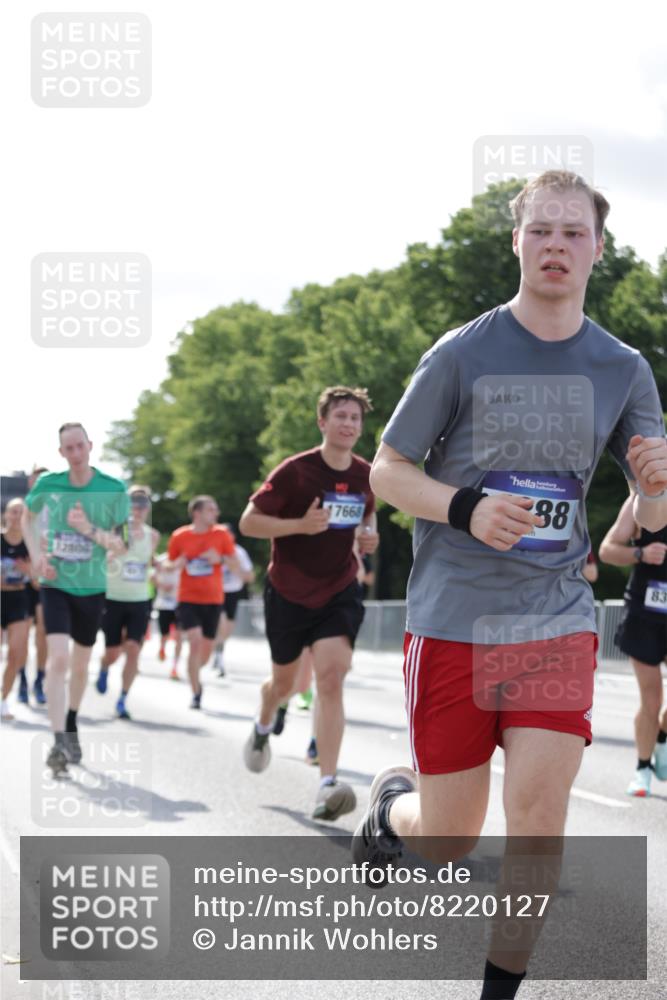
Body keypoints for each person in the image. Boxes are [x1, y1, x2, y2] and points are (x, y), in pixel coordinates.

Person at [351, 171, 667, 999]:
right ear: (516, 242)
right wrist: (462, 507)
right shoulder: (462, 352)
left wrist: (658, 485)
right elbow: (387, 471)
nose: (556, 245)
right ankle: (390, 814)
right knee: (448, 839)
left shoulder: (624, 367)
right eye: (541, 231)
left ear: (598, 248)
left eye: (573, 232)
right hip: (453, 617)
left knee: (537, 816)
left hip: (554, 618)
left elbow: (652, 499)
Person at [239, 385, 379, 821]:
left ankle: (326, 785)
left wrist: (368, 536)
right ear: (322, 422)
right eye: (340, 416)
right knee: (284, 687)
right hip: (289, 591)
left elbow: (367, 517)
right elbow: (249, 523)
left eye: (355, 418)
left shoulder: (366, 474)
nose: (349, 424)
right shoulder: (295, 472)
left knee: (331, 680)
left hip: (338, 590)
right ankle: (265, 722)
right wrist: (300, 524)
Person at [21, 423, 129, 774]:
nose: (76, 454)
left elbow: (120, 544)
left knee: (81, 665)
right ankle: (56, 741)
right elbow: (28, 516)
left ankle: (70, 722)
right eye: (69, 449)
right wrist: (37, 554)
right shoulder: (49, 484)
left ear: (90, 446)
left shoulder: (113, 489)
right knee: (59, 660)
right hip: (56, 584)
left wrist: (87, 531)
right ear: (61, 453)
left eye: (81, 446)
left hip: (93, 587)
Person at [599, 494, 667, 796]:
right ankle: (642, 770)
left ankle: (662, 738)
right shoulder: (645, 498)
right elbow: (607, 550)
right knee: (651, 699)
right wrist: (641, 554)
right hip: (645, 614)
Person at [167, 497, 239, 708]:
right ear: (197, 513)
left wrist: (221, 559)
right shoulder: (180, 536)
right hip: (188, 599)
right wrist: (177, 563)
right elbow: (169, 564)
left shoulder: (221, 535)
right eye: (211, 510)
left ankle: (195, 674)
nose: (216, 513)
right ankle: (196, 691)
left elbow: (235, 563)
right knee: (195, 641)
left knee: (205, 651)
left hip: (213, 600)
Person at [95, 486, 160, 719]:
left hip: (139, 599)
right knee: (113, 653)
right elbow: (100, 558)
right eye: (134, 502)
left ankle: (122, 698)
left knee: (133, 649)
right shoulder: (114, 531)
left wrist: (156, 569)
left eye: (144, 504)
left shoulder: (153, 536)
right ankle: (103, 667)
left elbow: (148, 561)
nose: (139, 508)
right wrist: (109, 557)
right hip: (113, 598)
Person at [18, 466, 49, 705]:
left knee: (42, 633)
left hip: (45, 580)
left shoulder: (54, 511)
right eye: (37, 482)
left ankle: (39, 679)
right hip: (21, 582)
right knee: (21, 635)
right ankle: (21, 679)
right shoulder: (20, 510)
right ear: (30, 483)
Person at [1, 499, 32, 720]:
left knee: (14, 655)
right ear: (6, 514)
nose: (16, 516)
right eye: (13, 511)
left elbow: (40, 579)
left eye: (20, 512)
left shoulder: (30, 544)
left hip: (19, 599)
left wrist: (29, 570)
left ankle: (3, 700)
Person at [212, 524, 255, 676]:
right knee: (221, 624)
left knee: (227, 630)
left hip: (233, 593)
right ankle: (219, 658)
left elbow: (250, 577)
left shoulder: (239, 553)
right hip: (215, 593)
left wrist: (234, 567)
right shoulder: (213, 550)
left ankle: (217, 650)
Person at [153, 553, 183, 679]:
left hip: (181, 603)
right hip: (164, 603)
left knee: (179, 637)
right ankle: (162, 648)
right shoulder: (162, 559)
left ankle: (175, 667)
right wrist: (161, 585)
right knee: (164, 634)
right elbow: (151, 576)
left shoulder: (187, 558)